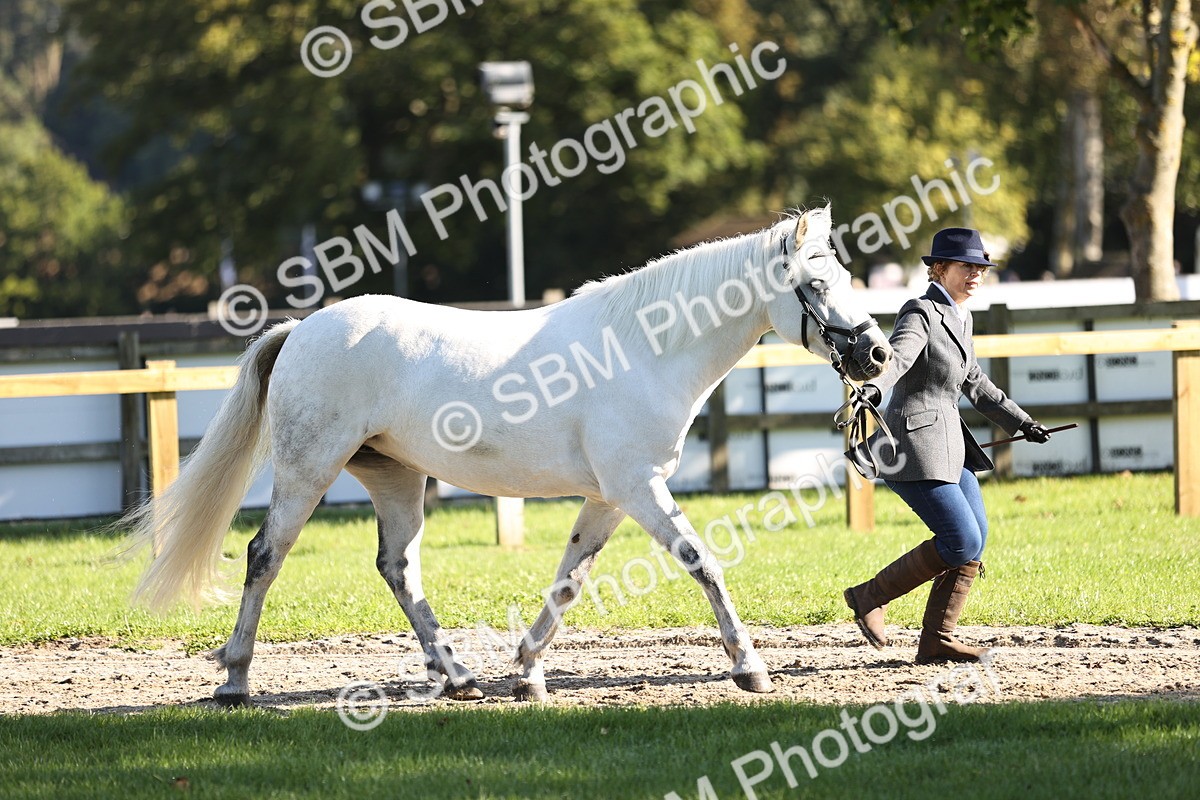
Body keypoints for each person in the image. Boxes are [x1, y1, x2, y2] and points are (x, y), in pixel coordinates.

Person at [844, 228, 1051, 664]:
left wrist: (1023, 422)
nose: (976, 275)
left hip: (949, 446)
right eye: (966, 267)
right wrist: (874, 390)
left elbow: (975, 384)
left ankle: (937, 639)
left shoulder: (961, 316)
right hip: (911, 447)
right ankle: (868, 597)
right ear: (939, 268)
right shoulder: (920, 311)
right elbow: (897, 359)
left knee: (975, 541)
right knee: (959, 538)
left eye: (980, 267)